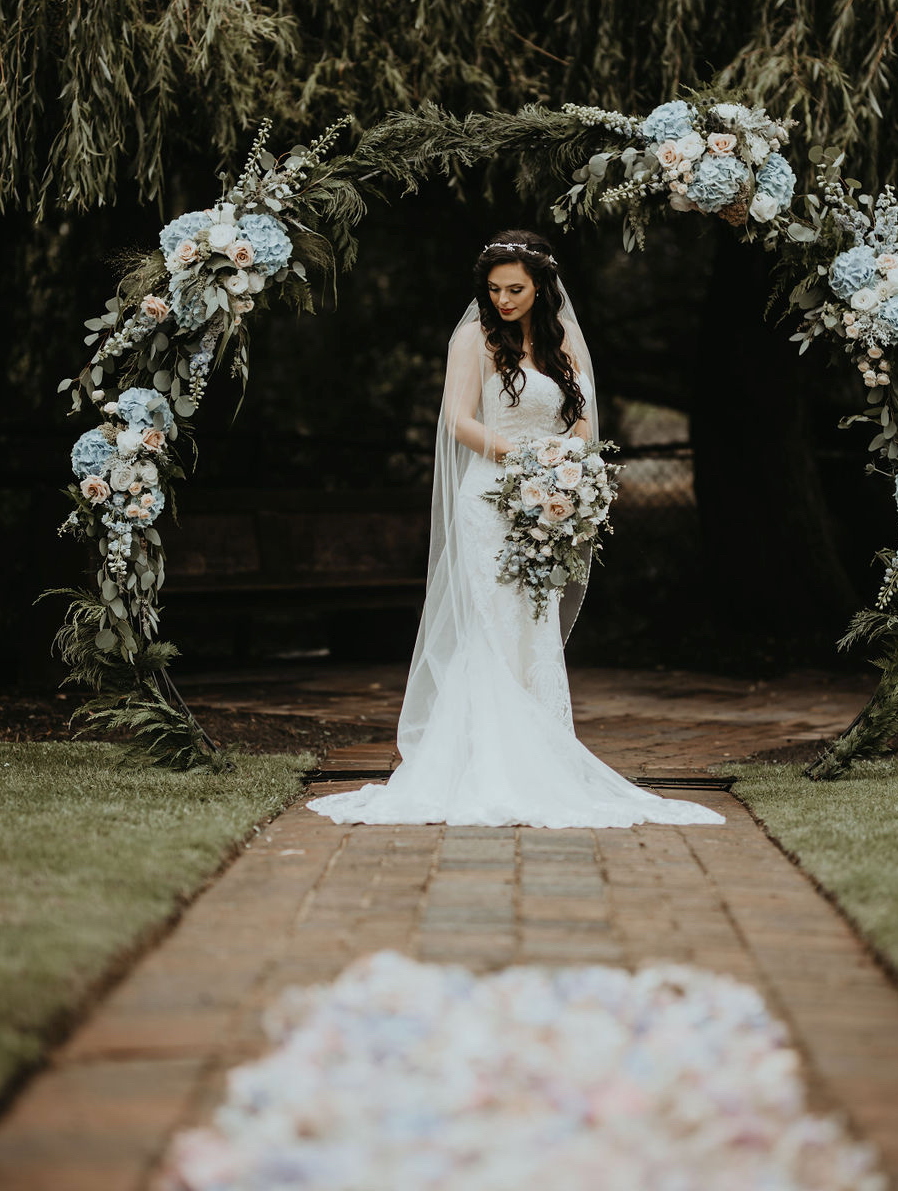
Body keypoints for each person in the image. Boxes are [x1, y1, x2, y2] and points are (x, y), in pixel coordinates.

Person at [307, 230, 724, 829]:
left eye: (516, 289)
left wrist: (569, 473)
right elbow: (457, 419)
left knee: (534, 628)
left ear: (540, 287)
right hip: (490, 496)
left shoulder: (563, 345)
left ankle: (540, 758)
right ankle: (479, 761)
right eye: (495, 289)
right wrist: (522, 459)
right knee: (492, 626)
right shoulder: (474, 338)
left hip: (547, 500)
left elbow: (581, 425)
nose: (503, 300)